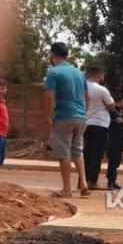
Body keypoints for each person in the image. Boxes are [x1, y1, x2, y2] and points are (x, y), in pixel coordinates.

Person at [44, 42, 90, 198]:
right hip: (81, 116)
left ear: (52, 55)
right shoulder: (79, 73)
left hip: (64, 115)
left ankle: (67, 189)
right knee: (77, 151)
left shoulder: (53, 73)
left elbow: (49, 97)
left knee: (63, 153)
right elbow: (87, 96)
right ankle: (83, 183)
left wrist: (49, 117)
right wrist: (84, 113)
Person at [82, 65, 114, 190]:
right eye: (103, 75)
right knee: (97, 154)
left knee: (86, 153)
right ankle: (92, 181)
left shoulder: (82, 87)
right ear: (99, 74)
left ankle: (82, 181)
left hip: (85, 123)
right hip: (100, 124)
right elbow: (111, 106)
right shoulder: (101, 89)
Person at [106, 93, 123, 190]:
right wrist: (116, 121)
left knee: (116, 160)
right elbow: (108, 122)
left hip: (120, 139)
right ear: (121, 100)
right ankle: (110, 182)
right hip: (112, 139)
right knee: (112, 160)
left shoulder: (120, 111)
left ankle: (113, 180)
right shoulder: (112, 111)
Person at [0, 78, 8, 166]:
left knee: (1, 158)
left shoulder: (3, 102)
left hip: (3, 134)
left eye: (2, 88)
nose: (1, 91)